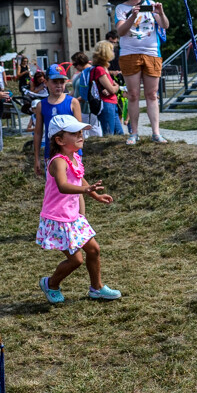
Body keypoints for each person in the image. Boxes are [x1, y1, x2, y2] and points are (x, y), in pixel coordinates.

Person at [37, 114, 120, 304]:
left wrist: (95, 195)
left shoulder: (74, 157)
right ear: (59, 140)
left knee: (94, 250)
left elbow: (79, 177)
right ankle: (51, 284)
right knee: (76, 261)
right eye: (75, 133)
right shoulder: (58, 161)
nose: (81, 136)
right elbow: (63, 185)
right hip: (59, 219)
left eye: (81, 132)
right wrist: (85, 190)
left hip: (73, 217)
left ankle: (97, 289)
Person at [115, 0, 170, 145]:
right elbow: (121, 31)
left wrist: (160, 13)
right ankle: (134, 132)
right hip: (130, 53)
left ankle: (156, 132)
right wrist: (133, 15)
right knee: (133, 95)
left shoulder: (151, 4)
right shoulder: (121, 8)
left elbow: (165, 25)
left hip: (151, 52)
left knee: (152, 94)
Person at [34, 64, 82, 174]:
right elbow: (38, 133)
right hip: (51, 154)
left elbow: (80, 131)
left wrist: (77, 152)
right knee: (55, 188)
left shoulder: (73, 102)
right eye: (55, 82)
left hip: (72, 154)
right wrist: (36, 158)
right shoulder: (41, 105)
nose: (59, 85)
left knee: (74, 185)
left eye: (62, 82)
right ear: (46, 82)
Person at [88, 41, 124, 136]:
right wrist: (116, 87)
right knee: (109, 135)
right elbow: (112, 89)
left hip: (111, 103)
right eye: (111, 50)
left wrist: (113, 87)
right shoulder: (100, 69)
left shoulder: (104, 68)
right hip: (107, 104)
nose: (114, 52)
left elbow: (111, 87)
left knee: (120, 134)